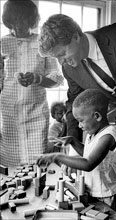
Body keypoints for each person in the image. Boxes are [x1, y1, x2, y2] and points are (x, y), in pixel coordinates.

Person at [38, 14, 116, 220]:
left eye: (63, 53)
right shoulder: (68, 68)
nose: (62, 62)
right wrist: (71, 144)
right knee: (114, 187)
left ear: (76, 36)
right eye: (57, 57)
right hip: (114, 127)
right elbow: (73, 101)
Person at [0, 0, 63, 167]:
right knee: (10, 168)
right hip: (8, 116)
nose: (20, 26)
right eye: (15, 22)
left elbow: (57, 78)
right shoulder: (2, 44)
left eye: (25, 21)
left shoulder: (42, 43)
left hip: (36, 114)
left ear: (31, 20)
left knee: (38, 165)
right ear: (8, 21)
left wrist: (38, 78)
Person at [37, 89, 116, 210]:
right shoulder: (92, 133)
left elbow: (88, 163)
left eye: (81, 121)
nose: (79, 125)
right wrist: (72, 140)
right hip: (92, 191)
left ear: (97, 116)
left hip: (106, 194)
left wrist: (56, 156)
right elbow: (87, 154)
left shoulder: (108, 136)